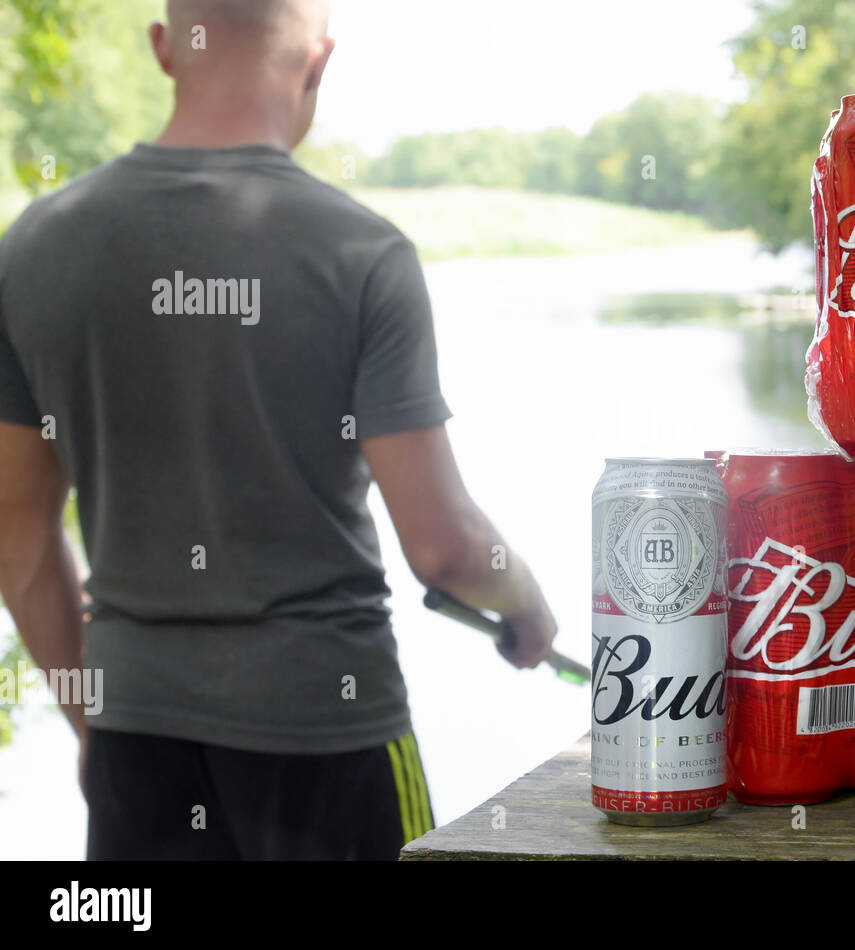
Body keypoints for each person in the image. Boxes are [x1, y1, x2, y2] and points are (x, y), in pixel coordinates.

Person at [0, 0, 557, 860]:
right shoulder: (363, 254)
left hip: (134, 742)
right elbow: (445, 548)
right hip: (328, 733)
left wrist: (96, 721)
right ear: (318, 63)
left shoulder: (36, 248)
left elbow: (20, 532)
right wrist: (525, 603)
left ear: (164, 51)